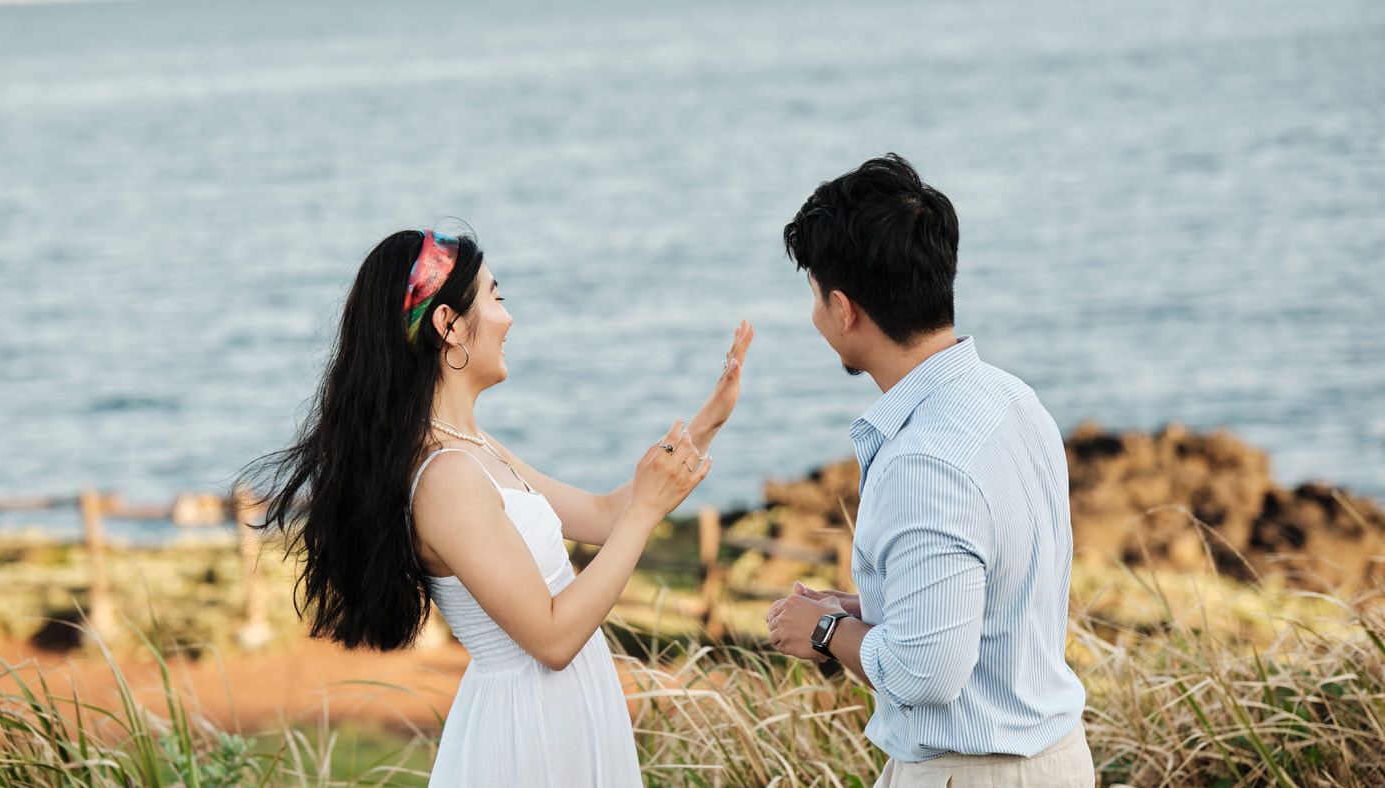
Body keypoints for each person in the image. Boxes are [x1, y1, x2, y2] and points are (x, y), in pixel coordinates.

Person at [241, 227, 753, 787]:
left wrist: (709, 421)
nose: (508, 319)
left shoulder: (474, 449)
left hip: (563, 712)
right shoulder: (445, 477)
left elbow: (605, 517)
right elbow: (553, 638)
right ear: (449, 326)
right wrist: (645, 515)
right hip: (527, 734)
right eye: (495, 297)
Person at [764, 155, 1094, 787]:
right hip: (1054, 759)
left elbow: (928, 673)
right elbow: (995, 596)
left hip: (973, 774)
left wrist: (829, 630)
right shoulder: (1012, 400)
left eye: (813, 296)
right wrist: (868, 608)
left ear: (844, 308)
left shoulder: (923, 459)